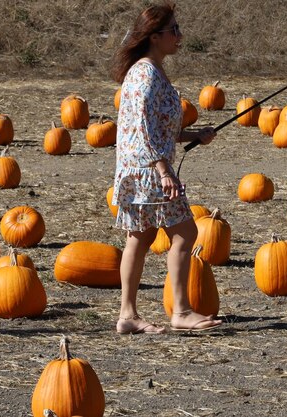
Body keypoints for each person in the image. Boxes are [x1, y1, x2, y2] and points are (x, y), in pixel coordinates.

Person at [110, 2, 223, 334]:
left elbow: (156, 127)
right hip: (149, 171)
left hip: (139, 168)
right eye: (174, 30)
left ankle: (127, 316)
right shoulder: (145, 73)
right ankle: (182, 311)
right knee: (186, 232)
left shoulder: (148, 70)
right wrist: (163, 169)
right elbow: (141, 127)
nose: (179, 35)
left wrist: (192, 135)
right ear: (155, 36)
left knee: (140, 237)